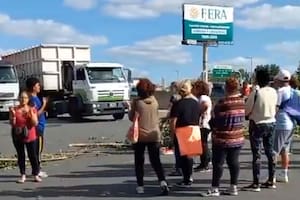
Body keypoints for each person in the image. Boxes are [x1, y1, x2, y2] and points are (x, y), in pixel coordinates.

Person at [202, 77, 245, 197]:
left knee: (218, 163)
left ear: (226, 87)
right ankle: (233, 187)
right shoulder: (242, 101)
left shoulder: (222, 103)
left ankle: (215, 188)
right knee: (234, 162)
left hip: (222, 138)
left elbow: (215, 121)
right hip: (237, 137)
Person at [128, 78, 169, 195]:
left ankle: (140, 186)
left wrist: (130, 107)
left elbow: (132, 117)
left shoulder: (137, 103)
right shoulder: (154, 101)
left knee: (139, 161)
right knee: (156, 161)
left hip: (140, 135)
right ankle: (162, 181)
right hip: (154, 134)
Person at [243, 68, 278, 191]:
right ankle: (271, 180)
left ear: (258, 79)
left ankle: (256, 183)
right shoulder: (274, 92)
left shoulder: (256, 93)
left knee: (257, 154)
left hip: (257, 123)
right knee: (270, 152)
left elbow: (247, 109)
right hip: (271, 122)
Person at [169, 79, 201, 187]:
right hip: (195, 129)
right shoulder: (196, 103)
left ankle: (186, 179)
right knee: (190, 157)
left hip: (183, 130)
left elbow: (173, 121)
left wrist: (172, 135)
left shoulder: (178, 104)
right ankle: (189, 177)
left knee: (183, 157)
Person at [9, 91, 42, 183]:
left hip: (30, 135)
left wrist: (31, 115)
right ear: (19, 99)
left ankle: (36, 174)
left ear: (28, 99)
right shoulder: (15, 109)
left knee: (33, 155)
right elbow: (12, 123)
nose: (23, 99)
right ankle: (23, 175)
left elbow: (35, 123)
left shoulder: (32, 109)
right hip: (18, 135)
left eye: (25, 98)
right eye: (21, 97)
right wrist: (13, 115)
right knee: (21, 155)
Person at [273, 69, 295, 183]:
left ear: (279, 80)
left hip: (281, 123)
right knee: (285, 150)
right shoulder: (293, 91)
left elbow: (276, 108)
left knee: (274, 150)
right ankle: (284, 173)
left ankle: (272, 175)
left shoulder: (280, 91)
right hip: (291, 123)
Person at [26, 77, 48, 178]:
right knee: (37, 150)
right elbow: (35, 114)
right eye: (38, 85)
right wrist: (44, 105)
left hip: (40, 126)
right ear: (33, 87)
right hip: (37, 127)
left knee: (36, 150)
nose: (39, 87)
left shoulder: (35, 97)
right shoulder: (32, 99)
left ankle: (36, 170)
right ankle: (37, 171)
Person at [192, 80, 212, 172]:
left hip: (204, 124)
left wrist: (197, 112)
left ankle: (205, 164)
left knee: (203, 144)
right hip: (204, 124)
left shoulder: (203, 97)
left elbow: (205, 105)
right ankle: (204, 162)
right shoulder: (203, 97)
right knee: (203, 144)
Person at [167, 81, 182, 176]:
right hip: (183, 122)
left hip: (176, 121)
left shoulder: (174, 97)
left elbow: (170, 108)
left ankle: (178, 168)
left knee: (177, 147)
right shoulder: (183, 97)